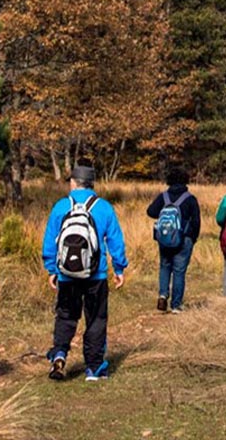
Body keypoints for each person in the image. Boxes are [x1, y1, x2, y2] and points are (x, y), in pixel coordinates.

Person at [41, 163, 128, 382]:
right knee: (96, 319)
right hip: (95, 275)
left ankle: (59, 354)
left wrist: (51, 268)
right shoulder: (104, 207)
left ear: (73, 182)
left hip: (66, 275)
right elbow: (116, 240)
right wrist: (119, 268)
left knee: (66, 316)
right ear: (92, 183)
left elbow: (50, 240)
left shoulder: (61, 207)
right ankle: (94, 367)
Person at [146, 166, 201, 313]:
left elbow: (150, 212)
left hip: (164, 238)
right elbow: (196, 222)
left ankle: (163, 295)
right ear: (185, 180)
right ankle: (176, 305)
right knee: (179, 271)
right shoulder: (190, 199)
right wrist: (193, 238)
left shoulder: (163, 197)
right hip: (184, 239)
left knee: (165, 266)